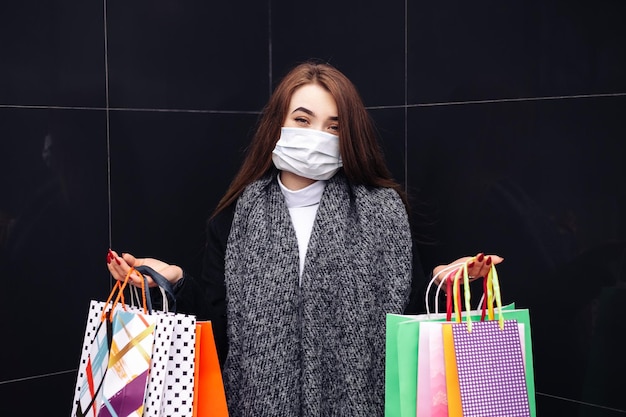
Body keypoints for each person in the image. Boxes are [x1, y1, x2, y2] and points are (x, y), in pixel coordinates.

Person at [106, 60, 502, 417]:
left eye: (334, 125)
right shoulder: (234, 220)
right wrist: (175, 282)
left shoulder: (384, 212)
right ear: (278, 123)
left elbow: (409, 326)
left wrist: (449, 287)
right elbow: (220, 336)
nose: (319, 135)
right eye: (303, 119)